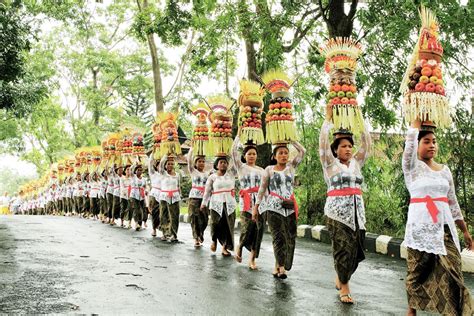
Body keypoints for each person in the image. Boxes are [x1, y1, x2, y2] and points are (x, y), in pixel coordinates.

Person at [403, 119, 473, 316]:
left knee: (454, 273)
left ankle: (454, 312)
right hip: (420, 229)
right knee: (416, 273)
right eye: (426, 141)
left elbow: (453, 203)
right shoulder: (412, 169)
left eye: (434, 141)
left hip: (445, 229)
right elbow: (408, 147)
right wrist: (415, 124)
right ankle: (411, 309)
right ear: (417, 145)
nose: (432, 144)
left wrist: (465, 231)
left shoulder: (445, 170)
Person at [319, 104, 371, 304]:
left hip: (358, 213)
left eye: (350, 145)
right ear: (335, 149)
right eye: (343, 146)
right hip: (336, 214)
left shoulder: (357, 163)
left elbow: (367, 144)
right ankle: (345, 287)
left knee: (355, 251)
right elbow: (322, 144)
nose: (348, 149)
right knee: (342, 249)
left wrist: (360, 120)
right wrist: (327, 121)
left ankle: (341, 275)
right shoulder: (330, 164)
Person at [253, 140, 305, 279]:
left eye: (286, 153)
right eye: (280, 153)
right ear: (274, 156)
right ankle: (281, 268)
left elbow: (302, 152)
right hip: (273, 208)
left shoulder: (291, 167)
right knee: (278, 237)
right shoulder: (269, 170)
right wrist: (256, 207)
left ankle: (278, 264)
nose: (283, 155)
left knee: (289, 237)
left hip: (289, 207)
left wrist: (291, 140)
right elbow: (262, 189)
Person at [232, 136, 265, 270]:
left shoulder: (262, 170)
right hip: (246, 201)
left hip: (260, 202)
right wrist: (239, 135)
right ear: (244, 156)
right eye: (249, 154)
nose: (252, 156)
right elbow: (233, 151)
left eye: (254, 154)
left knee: (258, 230)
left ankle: (252, 259)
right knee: (247, 228)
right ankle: (239, 246)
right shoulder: (241, 167)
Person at [201, 156, 236, 256]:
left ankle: (225, 247)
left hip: (229, 203)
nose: (223, 164)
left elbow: (235, 158)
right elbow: (207, 191)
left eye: (225, 162)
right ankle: (214, 240)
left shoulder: (232, 174)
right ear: (216, 165)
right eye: (221, 162)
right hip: (216, 203)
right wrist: (204, 203)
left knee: (228, 225)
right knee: (215, 224)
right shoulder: (212, 177)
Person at [187, 147, 210, 247]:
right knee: (195, 217)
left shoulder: (207, 174)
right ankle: (196, 238)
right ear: (195, 163)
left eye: (203, 162)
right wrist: (192, 148)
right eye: (199, 161)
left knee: (204, 219)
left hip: (205, 199)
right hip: (194, 198)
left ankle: (201, 233)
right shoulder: (193, 172)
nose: (201, 163)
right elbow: (188, 160)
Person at [159, 154, 181, 242]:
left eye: (172, 164)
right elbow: (160, 165)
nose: (170, 165)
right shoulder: (163, 173)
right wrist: (165, 154)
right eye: (168, 164)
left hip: (175, 196)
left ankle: (174, 234)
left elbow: (178, 186)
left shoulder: (177, 175)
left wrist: (180, 194)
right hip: (164, 196)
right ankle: (165, 233)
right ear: (165, 165)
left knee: (174, 216)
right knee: (163, 215)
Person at [130, 163, 146, 231]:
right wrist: (135, 164)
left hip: (141, 196)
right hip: (134, 195)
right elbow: (131, 169)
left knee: (141, 210)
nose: (139, 171)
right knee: (136, 209)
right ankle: (136, 223)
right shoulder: (133, 177)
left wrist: (146, 191)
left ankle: (140, 223)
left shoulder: (144, 179)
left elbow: (145, 187)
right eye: (138, 170)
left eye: (140, 170)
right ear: (135, 171)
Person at [148, 155, 162, 237]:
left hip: (163, 195)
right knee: (154, 212)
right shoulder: (153, 173)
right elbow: (150, 163)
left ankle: (162, 228)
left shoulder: (165, 174)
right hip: (154, 194)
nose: (160, 167)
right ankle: (154, 229)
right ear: (156, 166)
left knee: (162, 213)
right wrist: (153, 153)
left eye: (162, 165)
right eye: (158, 165)